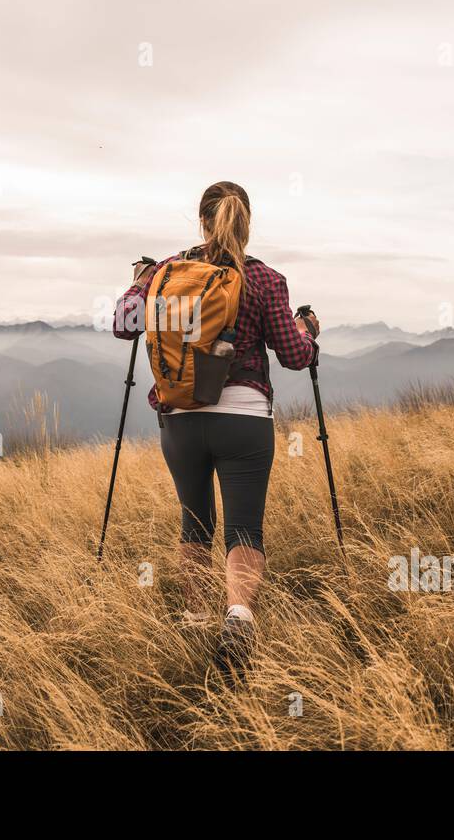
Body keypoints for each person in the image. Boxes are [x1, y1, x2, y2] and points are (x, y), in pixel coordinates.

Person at [113, 180, 320, 668]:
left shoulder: (167, 272)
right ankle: (238, 618)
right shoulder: (265, 279)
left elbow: (124, 323)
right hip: (243, 417)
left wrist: (140, 282)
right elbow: (292, 357)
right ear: (246, 222)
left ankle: (193, 620)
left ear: (200, 220)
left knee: (194, 523)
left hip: (179, 419)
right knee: (244, 528)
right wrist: (308, 334)